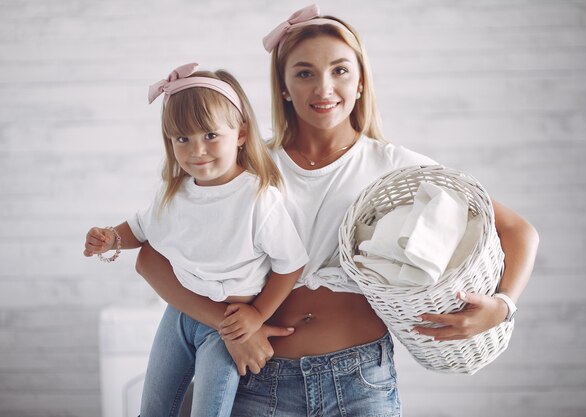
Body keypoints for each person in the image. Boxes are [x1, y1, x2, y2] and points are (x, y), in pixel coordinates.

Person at [134, 5, 540, 416]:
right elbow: (152, 256)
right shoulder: (248, 169)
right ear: (284, 87)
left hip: (361, 381)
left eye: (340, 71)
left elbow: (517, 229)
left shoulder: (397, 168)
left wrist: (503, 306)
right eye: (305, 73)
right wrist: (231, 326)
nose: (324, 88)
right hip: (261, 379)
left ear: (361, 82)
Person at [83, 63, 308, 417]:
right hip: (179, 316)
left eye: (209, 135)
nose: (196, 150)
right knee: (153, 409)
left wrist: (257, 315)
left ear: (241, 133)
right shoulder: (173, 193)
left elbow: (291, 264)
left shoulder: (258, 198)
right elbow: (140, 229)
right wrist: (111, 238)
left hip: (227, 325)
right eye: (182, 139)